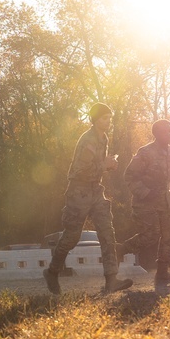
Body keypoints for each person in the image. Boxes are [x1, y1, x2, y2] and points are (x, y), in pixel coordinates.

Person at [43, 103, 133, 294]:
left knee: (107, 233)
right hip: (79, 192)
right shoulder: (88, 140)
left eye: (110, 117)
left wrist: (108, 164)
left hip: (95, 191)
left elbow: (97, 167)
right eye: (104, 118)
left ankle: (111, 280)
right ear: (95, 119)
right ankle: (52, 272)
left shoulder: (103, 138)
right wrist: (104, 165)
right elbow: (81, 171)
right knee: (71, 237)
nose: (108, 121)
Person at [120, 119, 170, 288]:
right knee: (149, 236)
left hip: (165, 202)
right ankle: (121, 250)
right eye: (165, 131)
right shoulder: (145, 152)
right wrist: (144, 192)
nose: (169, 134)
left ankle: (162, 273)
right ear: (157, 133)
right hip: (145, 202)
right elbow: (129, 176)